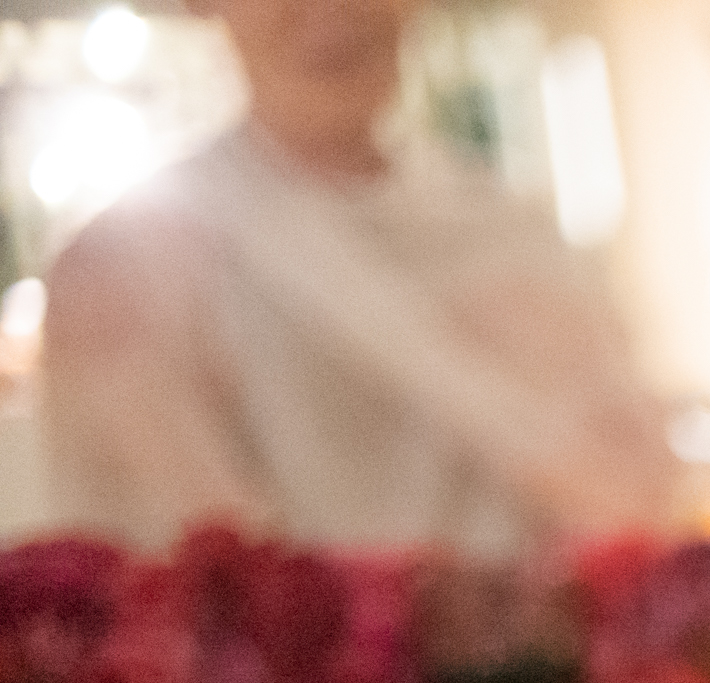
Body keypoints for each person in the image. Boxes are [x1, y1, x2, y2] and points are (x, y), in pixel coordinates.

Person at [41, 0, 675, 554]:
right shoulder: (130, 265)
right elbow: (208, 576)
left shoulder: (512, 234)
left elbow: (637, 517)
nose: (332, 8)